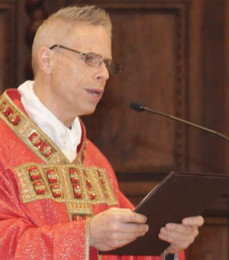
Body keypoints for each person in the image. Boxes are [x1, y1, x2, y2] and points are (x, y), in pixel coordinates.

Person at [0, 5, 203, 259]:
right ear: (47, 60)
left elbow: (127, 250)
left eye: (106, 63)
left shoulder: (96, 163)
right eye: (89, 59)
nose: (104, 74)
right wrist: (86, 236)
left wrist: (166, 246)